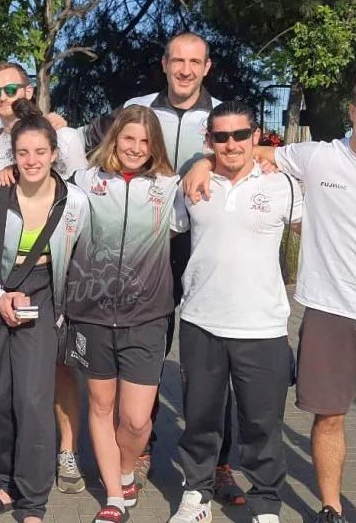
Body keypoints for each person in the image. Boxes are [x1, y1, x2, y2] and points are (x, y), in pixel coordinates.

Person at [185, 69, 356, 523]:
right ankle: (330, 509)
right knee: (328, 417)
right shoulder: (315, 157)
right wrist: (200, 161)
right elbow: (243, 149)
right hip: (327, 313)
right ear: (352, 111)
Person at [81, 32, 239, 501]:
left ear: (207, 67)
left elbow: (252, 153)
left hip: (202, 243)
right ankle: (140, 443)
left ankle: (219, 461)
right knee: (144, 347)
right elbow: (92, 142)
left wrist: (206, 161)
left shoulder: (222, 113)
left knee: (209, 362)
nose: (186, 70)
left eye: (195, 62)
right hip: (146, 244)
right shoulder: (138, 104)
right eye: (178, 61)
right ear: (165, 64)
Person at [168, 101, 302, 523]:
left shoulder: (285, 186)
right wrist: (198, 166)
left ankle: (265, 505)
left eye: (240, 135)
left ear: (255, 136)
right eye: (220, 137)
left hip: (262, 325)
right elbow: (169, 239)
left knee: (262, 424)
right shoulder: (191, 187)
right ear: (209, 140)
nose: (231, 144)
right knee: (201, 420)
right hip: (201, 321)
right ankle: (196, 496)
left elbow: (321, 235)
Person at [0, 99, 91, 523]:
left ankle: (33, 501)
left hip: (43, 299)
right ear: (12, 156)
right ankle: (7, 484)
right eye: (22, 153)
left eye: (40, 152)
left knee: (33, 401)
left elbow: (83, 261)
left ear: (55, 154)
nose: (31, 160)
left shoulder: (76, 203)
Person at [64, 105, 186, 523]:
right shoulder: (83, 182)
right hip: (91, 314)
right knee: (100, 405)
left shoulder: (171, 187)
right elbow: (39, 186)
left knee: (135, 421)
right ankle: (114, 495)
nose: (135, 148)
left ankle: (126, 467)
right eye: (128, 138)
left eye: (144, 140)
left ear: (155, 146)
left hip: (147, 316)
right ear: (114, 139)